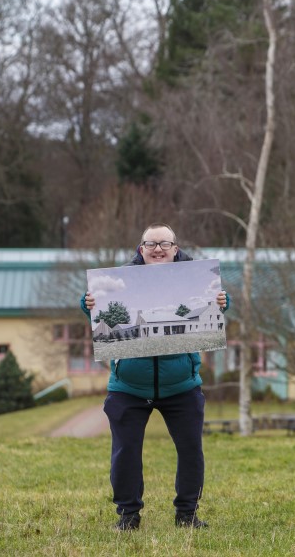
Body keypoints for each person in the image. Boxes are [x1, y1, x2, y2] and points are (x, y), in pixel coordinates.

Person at [81, 223, 229, 531]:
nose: (157, 249)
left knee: (191, 450)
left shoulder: (198, 279)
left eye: (164, 243)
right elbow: (102, 317)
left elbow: (210, 317)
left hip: (182, 386)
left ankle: (187, 514)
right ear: (140, 249)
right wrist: (88, 306)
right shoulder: (118, 281)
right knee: (125, 452)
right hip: (128, 387)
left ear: (176, 249)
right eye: (151, 243)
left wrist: (223, 304)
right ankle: (128, 514)